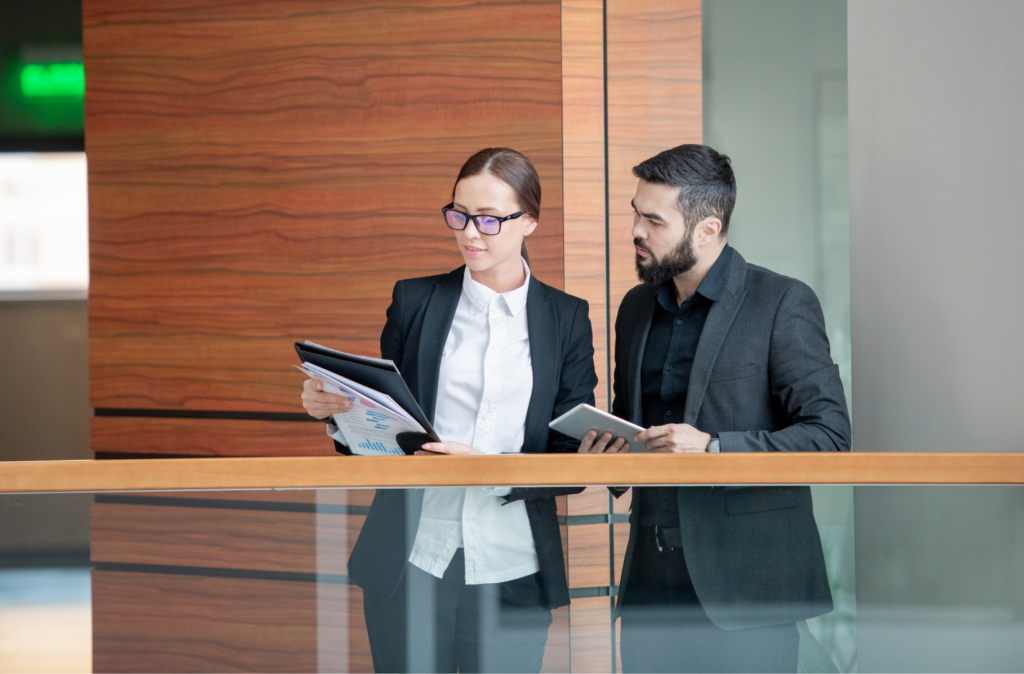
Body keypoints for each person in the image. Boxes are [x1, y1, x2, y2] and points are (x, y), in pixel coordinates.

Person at [301, 147, 597, 673]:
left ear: (530, 221)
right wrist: (336, 413)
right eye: (458, 214)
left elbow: (571, 456)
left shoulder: (567, 318)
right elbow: (381, 428)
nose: (470, 233)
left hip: (513, 564)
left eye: (489, 219)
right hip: (411, 559)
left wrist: (488, 467)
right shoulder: (415, 301)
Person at [580, 144, 851, 673]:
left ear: (706, 229)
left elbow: (830, 436)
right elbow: (632, 425)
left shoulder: (782, 302)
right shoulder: (636, 308)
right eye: (635, 212)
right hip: (649, 586)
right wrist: (609, 451)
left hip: (747, 587)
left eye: (653, 220)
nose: (636, 230)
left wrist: (714, 448)